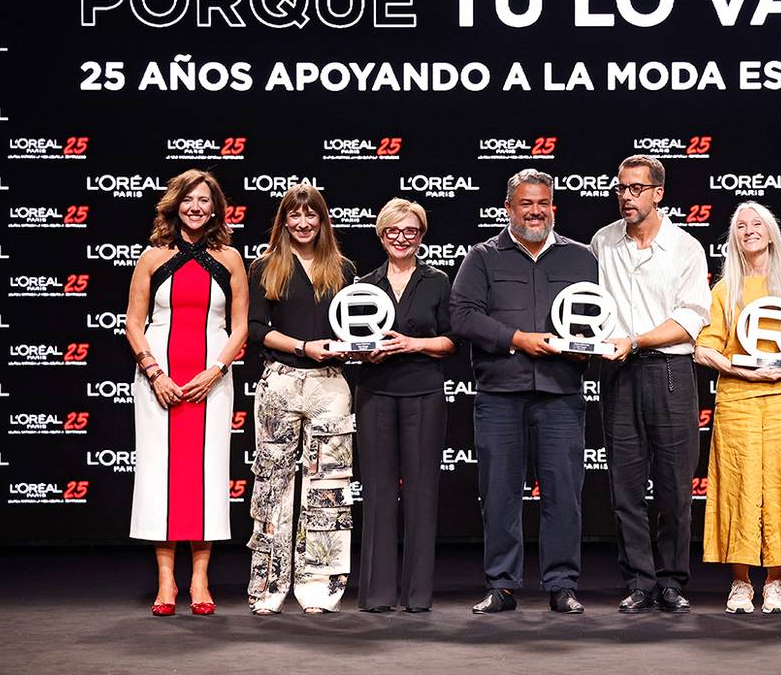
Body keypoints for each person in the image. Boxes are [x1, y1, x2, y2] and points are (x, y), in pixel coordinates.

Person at [449, 168, 597, 615]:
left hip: (561, 392)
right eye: (526, 203)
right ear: (508, 209)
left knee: (564, 493)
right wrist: (517, 339)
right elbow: (463, 316)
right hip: (500, 393)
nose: (535, 211)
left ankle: (562, 584)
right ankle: (502, 584)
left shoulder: (582, 258)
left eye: (543, 203)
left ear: (553, 207)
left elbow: (598, 317)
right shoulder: (482, 257)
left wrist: (586, 347)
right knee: (499, 492)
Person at [589, 155, 711, 614]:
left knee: (675, 488)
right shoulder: (602, 242)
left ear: (658, 193)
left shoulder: (685, 248)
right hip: (618, 373)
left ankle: (673, 580)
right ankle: (639, 580)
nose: (626, 196)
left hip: (669, 372)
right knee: (625, 486)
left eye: (636, 189)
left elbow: (691, 320)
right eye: (620, 188)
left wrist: (635, 339)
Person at [693, 202, 781, 615]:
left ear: (771, 232)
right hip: (739, 399)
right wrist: (741, 370)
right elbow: (703, 349)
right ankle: (739, 582)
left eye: (757, 224)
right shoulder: (723, 288)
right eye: (741, 226)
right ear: (734, 237)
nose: (750, 230)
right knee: (739, 486)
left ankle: (776, 583)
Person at [126, 169, 249, 617]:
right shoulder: (153, 256)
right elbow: (134, 324)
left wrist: (216, 370)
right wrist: (155, 372)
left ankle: (200, 577)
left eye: (204, 200)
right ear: (175, 204)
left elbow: (240, 328)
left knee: (208, 474)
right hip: (160, 379)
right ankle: (166, 580)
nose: (196, 208)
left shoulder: (231, 258)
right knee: (161, 474)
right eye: (188, 200)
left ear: (216, 208)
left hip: (212, 381)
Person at [246, 183, 358, 615]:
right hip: (281, 380)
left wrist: (348, 346)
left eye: (311, 215)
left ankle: (319, 588)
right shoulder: (264, 267)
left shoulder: (344, 268)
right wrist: (303, 347)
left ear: (322, 219)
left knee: (328, 488)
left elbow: (355, 328)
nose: (303, 222)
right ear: (284, 220)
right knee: (273, 484)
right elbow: (256, 328)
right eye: (294, 215)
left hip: (331, 383)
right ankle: (267, 588)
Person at [354, 198, 456, 613]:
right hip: (375, 392)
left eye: (411, 231)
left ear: (421, 236)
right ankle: (377, 595)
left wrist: (414, 344)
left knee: (421, 493)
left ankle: (417, 596)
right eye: (393, 231)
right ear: (381, 235)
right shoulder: (363, 284)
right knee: (378, 494)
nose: (402, 238)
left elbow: (451, 340)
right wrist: (365, 354)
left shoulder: (437, 281)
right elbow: (352, 339)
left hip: (424, 392)